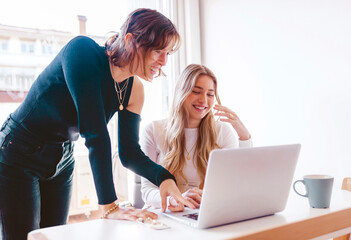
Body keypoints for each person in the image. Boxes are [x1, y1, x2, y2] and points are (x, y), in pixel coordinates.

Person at [0, 8, 194, 240]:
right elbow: (95, 134)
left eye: (167, 54)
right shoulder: (82, 52)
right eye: (158, 51)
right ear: (131, 40)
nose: (163, 61)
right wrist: (109, 206)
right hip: (19, 150)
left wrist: (165, 178)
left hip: (62, 157)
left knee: (51, 236)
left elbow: (129, 152)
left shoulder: (134, 89)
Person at [140, 64, 253, 211]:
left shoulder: (223, 131)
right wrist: (176, 200)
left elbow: (236, 181)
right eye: (196, 92)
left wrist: (244, 136)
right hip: (163, 213)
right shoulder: (153, 130)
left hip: (203, 212)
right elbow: (147, 191)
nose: (204, 101)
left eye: (210, 94)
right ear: (181, 92)